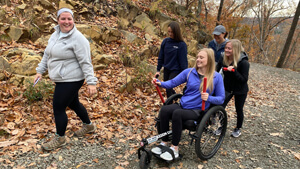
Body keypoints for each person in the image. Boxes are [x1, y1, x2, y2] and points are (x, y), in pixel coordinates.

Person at [34, 8, 98, 150]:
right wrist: (40, 71)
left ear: (73, 20)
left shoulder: (78, 39)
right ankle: (89, 126)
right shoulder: (55, 34)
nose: (66, 22)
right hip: (61, 77)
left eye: (69, 19)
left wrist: (91, 81)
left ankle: (60, 138)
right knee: (74, 103)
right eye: (63, 19)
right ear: (58, 20)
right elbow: (47, 54)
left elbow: (86, 62)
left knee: (58, 107)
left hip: (72, 78)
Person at [151, 48, 225, 161]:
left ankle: (174, 148)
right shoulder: (190, 72)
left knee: (177, 114)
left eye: (201, 57)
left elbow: (221, 98)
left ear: (209, 59)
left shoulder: (216, 77)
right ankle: (164, 143)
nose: (198, 59)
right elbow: (173, 82)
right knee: (165, 110)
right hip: (183, 104)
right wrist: (160, 83)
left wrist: (209, 98)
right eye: (197, 57)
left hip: (198, 110)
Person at [216, 39, 250, 138]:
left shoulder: (244, 63)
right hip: (227, 87)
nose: (226, 50)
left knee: (239, 109)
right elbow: (217, 71)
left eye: (229, 48)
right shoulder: (223, 58)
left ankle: (238, 128)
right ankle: (221, 126)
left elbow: (244, 79)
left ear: (235, 49)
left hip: (240, 90)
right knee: (221, 107)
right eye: (226, 48)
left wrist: (234, 71)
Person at [155, 21, 188, 98]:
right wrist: (158, 70)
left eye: (172, 32)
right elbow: (161, 56)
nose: (170, 34)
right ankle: (175, 99)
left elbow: (183, 61)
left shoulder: (181, 45)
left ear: (176, 32)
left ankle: (170, 103)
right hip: (167, 68)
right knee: (167, 88)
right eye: (169, 31)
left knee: (169, 87)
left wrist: (185, 75)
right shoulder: (166, 41)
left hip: (176, 70)